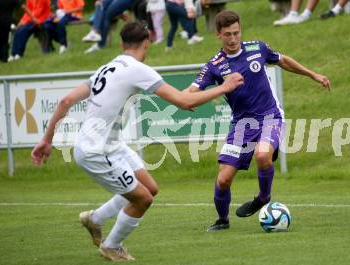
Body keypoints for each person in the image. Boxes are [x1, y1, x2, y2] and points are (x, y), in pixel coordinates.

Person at [30, 21, 243, 261]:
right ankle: (112, 245)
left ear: (121, 44)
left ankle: (94, 219)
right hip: (97, 152)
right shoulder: (137, 69)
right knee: (143, 198)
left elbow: (65, 102)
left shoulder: (106, 67)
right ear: (147, 44)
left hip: (112, 146)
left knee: (149, 187)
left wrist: (46, 140)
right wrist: (224, 87)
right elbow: (185, 102)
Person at [184, 10, 330, 232]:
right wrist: (181, 98)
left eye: (236, 33)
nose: (233, 39)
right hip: (241, 125)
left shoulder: (257, 48)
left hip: (270, 115)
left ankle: (263, 197)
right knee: (223, 180)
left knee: (262, 155)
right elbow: (192, 90)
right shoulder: (214, 65)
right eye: (227, 35)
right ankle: (222, 220)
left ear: (240, 30)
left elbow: (284, 61)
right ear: (218, 35)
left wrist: (313, 75)